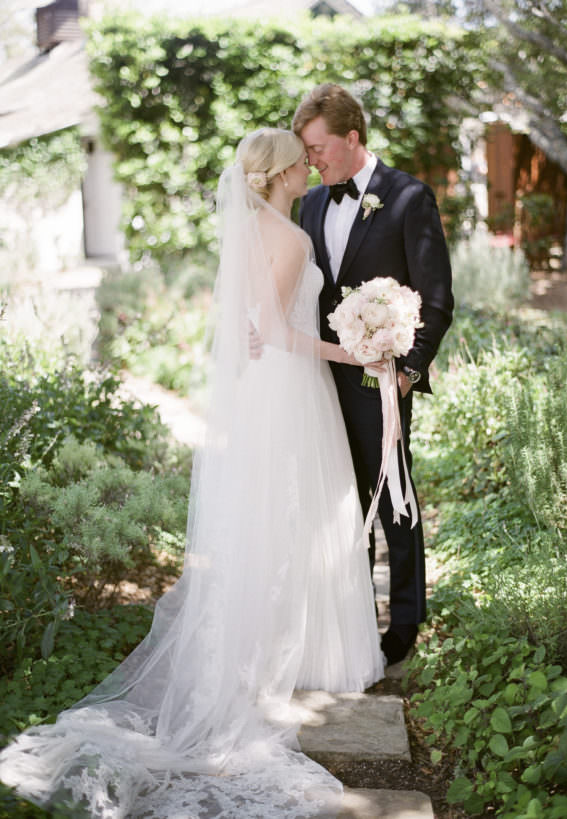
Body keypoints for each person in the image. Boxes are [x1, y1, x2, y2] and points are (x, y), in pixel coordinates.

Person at [0, 128, 384, 818]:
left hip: (269, 388)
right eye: (299, 164)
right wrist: (357, 350)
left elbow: (252, 325)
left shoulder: (255, 231)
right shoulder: (290, 239)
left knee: (272, 515)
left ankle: (273, 644)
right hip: (294, 386)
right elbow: (279, 329)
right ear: (278, 175)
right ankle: (287, 653)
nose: (307, 169)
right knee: (294, 510)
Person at [292, 84, 454, 666]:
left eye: (319, 148)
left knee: (394, 500)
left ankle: (405, 623)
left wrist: (406, 373)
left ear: (351, 137)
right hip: (319, 379)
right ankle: (354, 620)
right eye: (307, 152)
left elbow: (435, 298)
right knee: (338, 501)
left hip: (382, 381)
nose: (312, 161)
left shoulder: (409, 198)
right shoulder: (310, 204)